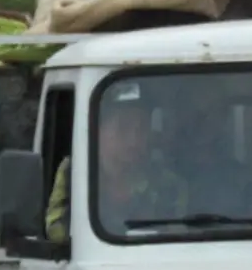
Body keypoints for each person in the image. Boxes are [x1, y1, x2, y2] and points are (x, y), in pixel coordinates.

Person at [45, 85, 188, 242]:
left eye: (141, 129)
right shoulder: (75, 170)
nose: (133, 141)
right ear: (98, 129)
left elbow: (175, 237)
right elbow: (56, 227)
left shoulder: (168, 183)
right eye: (123, 128)